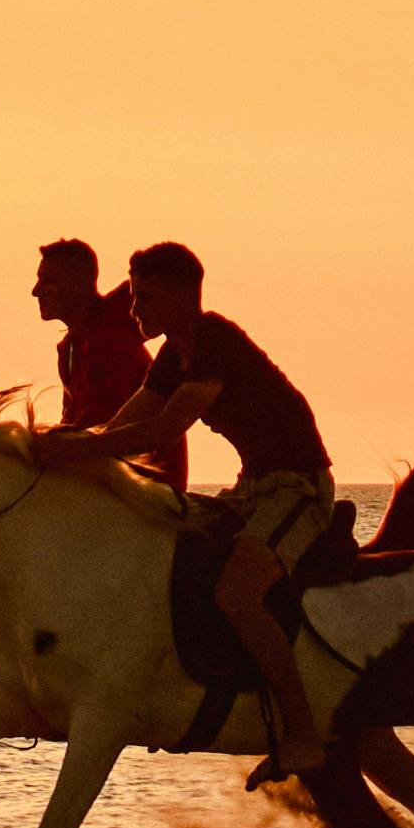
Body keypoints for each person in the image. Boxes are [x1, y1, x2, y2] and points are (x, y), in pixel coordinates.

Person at [33, 240, 334, 773]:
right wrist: (50, 449)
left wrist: (76, 449)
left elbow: (163, 429)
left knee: (238, 595)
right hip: (250, 488)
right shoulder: (174, 353)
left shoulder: (214, 339)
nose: (133, 309)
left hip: (297, 488)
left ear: (180, 296)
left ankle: (304, 733)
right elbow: (125, 422)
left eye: (144, 298)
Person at [28, 239, 173, 483]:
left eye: (48, 281)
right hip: (107, 477)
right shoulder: (72, 347)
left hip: (146, 486)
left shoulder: (111, 339)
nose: (36, 290)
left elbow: (102, 424)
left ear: (80, 284)